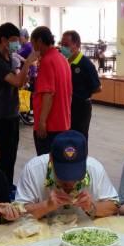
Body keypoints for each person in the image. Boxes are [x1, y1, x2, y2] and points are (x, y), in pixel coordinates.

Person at [15, 130, 118, 220]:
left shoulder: (95, 168)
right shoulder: (33, 169)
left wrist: (92, 207)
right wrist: (46, 206)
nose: (70, 183)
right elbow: (18, 213)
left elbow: (114, 206)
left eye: (75, 174)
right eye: (63, 174)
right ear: (51, 158)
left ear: (85, 159)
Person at [0, 22, 37, 185]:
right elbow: (16, 82)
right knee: (3, 157)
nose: (17, 43)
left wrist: (23, 74)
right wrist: (28, 63)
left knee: (11, 155)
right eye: (14, 40)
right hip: (2, 115)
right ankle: (2, 191)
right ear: (3, 40)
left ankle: (7, 186)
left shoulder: (8, 58)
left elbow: (20, 82)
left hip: (12, 113)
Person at [31, 26, 72, 155]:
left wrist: (42, 122)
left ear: (39, 41)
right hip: (63, 122)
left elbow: (48, 94)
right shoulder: (62, 59)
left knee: (46, 165)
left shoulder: (47, 61)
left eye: (33, 43)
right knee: (59, 163)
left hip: (50, 125)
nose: (33, 48)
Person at [61, 30, 101, 138]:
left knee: (79, 138)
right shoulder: (64, 62)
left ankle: (82, 155)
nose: (63, 48)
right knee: (67, 137)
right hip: (67, 106)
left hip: (81, 107)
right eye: (62, 44)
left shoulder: (86, 64)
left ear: (77, 45)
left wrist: (82, 94)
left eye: (66, 45)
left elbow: (97, 88)